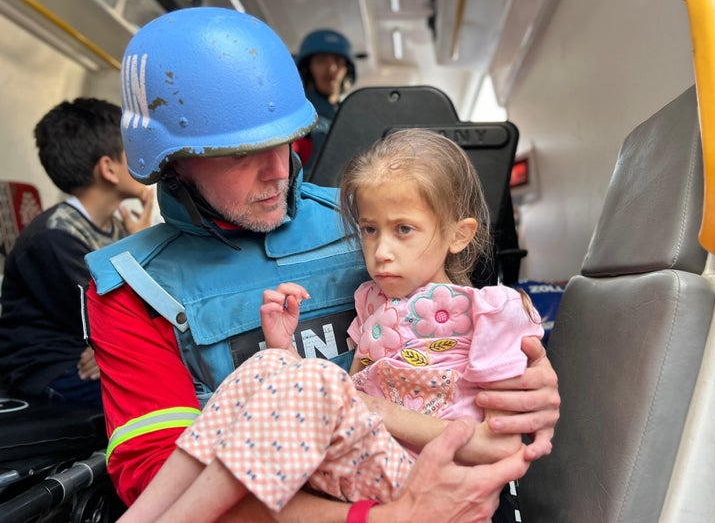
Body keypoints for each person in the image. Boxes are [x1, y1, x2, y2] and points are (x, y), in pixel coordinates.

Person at [83, 7, 559, 521]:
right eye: (240, 154)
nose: (276, 171)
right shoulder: (134, 287)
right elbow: (156, 474)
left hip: (422, 474)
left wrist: (533, 391)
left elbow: (472, 357)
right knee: (281, 368)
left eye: (284, 141)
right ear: (170, 160)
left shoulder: (375, 216)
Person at [114, 129, 546, 522]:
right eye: (371, 230)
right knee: (266, 368)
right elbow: (351, 393)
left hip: (437, 486)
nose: (381, 252)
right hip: (368, 471)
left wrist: (378, 412)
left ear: (459, 234)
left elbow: (501, 446)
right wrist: (283, 353)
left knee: (316, 378)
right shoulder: (371, 301)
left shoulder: (495, 310)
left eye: (404, 230)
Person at [0, 97, 153, 408]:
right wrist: (111, 344)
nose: (141, 159)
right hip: (50, 370)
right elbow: (111, 315)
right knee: (162, 393)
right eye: (130, 152)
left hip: (89, 353)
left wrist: (139, 243)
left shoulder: (118, 227)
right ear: (108, 169)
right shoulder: (56, 236)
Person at [292, 28, 357, 170]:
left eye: (338, 61)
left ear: (347, 69)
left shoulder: (353, 114)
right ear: (307, 68)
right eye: (321, 61)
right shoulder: (295, 115)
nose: (331, 68)